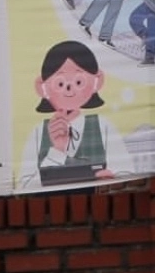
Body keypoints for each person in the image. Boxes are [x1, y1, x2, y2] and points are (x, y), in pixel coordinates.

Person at [16, 41, 134, 191]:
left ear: (97, 81)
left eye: (79, 81)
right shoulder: (39, 132)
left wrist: (111, 176)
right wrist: (57, 150)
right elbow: (24, 184)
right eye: (60, 83)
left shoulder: (102, 125)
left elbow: (128, 171)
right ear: (42, 88)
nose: (69, 89)